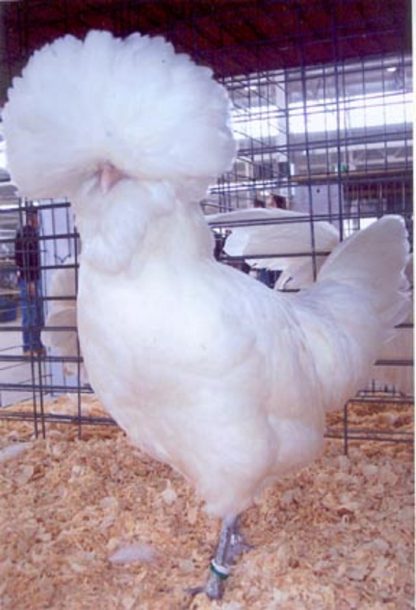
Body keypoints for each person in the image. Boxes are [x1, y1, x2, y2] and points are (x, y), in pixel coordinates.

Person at [14, 208, 45, 355]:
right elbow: (24, 260)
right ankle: (28, 347)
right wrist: (30, 281)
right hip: (29, 279)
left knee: (38, 313)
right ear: (32, 217)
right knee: (29, 314)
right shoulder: (24, 234)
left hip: (37, 278)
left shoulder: (36, 234)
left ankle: (37, 345)